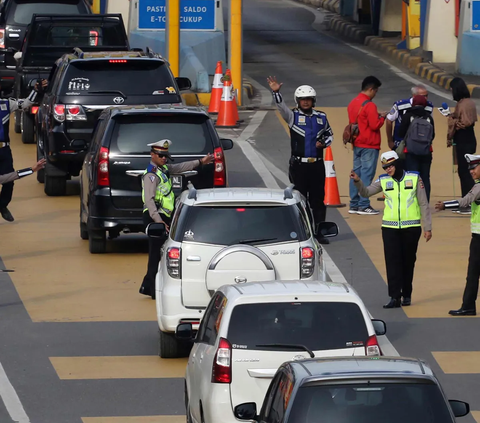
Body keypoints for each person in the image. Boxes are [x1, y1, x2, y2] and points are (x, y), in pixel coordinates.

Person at [350, 151, 432, 308]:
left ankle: (406, 293)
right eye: (385, 167)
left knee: (408, 262)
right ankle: (394, 296)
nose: (387, 169)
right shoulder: (383, 180)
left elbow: (423, 203)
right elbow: (366, 192)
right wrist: (358, 181)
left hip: (411, 227)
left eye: (390, 166)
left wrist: (427, 227)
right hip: (390, 228)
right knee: (392, 262)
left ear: (397, 164)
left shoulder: (414, 178)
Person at [139, 139, 214, 299]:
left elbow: (181, 167)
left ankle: (148, 286)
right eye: (160, 155)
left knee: (161, 252)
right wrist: (158, 221)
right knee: (155, 255)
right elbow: (149, 201)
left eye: (165, 155)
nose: (164, 158)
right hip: (155, 219)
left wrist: (201, 162)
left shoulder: (163, 169)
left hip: (164, 217)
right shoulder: (151, 175)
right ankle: (152, 289)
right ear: (152, 155)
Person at [267, 76, 333, 244]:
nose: (305, 102)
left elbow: (330, 135)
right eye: (302, 99)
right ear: (297, 101)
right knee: (299, 199)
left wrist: (323, 142)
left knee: (318, 200)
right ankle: (301, 232)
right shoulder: (292, 116)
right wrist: (276, 93)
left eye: (309, 99)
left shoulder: (321, 117)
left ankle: (319, 231)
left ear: (313, 101)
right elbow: (281, 107)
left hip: (317, 165)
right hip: (299, 166)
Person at [435, 154, 480, 316]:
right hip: (477, 237)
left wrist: (445, 205)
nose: (471, 172)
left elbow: (466, 201)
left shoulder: (479, 187)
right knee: (472, 274)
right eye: (470, 169)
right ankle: (468, 305)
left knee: (473, 274)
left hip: (479, 239)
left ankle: (468, 306)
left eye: (474, 168)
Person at [0, 79, 47, 222]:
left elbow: (26, 103)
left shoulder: (6, 103)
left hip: (4, 150)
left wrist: (36, 90)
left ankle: (2, 206)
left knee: (9, 181)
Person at [347, 76, 387, 215]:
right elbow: (375, 125)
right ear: (371, 89)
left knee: (356, 173)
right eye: (375, 91)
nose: (375, 94)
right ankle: (364, 204)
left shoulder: (353, 102)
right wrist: (382, 117)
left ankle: (354, 204)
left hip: (357, 143)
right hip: (369, 144)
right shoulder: (370, 105)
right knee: (367, 175)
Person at [448, 77, 477, 215]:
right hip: (469, 139)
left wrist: (453, 121)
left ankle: (467, 203)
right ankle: (467, 202)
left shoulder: (462, 104)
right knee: (466, 171)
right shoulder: (469, 102)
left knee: (464, 172)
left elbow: (464, 122)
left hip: (464, 140)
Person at [398, 94, 435, 202]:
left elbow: (401, 133)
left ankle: (412, 201)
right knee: (425, 178)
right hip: (426, 152)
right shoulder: (428, 117)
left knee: (411, 177)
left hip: (410, 152)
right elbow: (432, 135)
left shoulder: (408, 115)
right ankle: (425, 202)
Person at [385, 84, 433, 151]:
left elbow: (430, 125)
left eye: (426, 96)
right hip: (400, 143)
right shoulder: (399, 105)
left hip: (420, 144)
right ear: (414, 96)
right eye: (423, 96)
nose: (426, 98)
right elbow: (389, 120)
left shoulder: (429, 107)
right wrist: (390, 141)